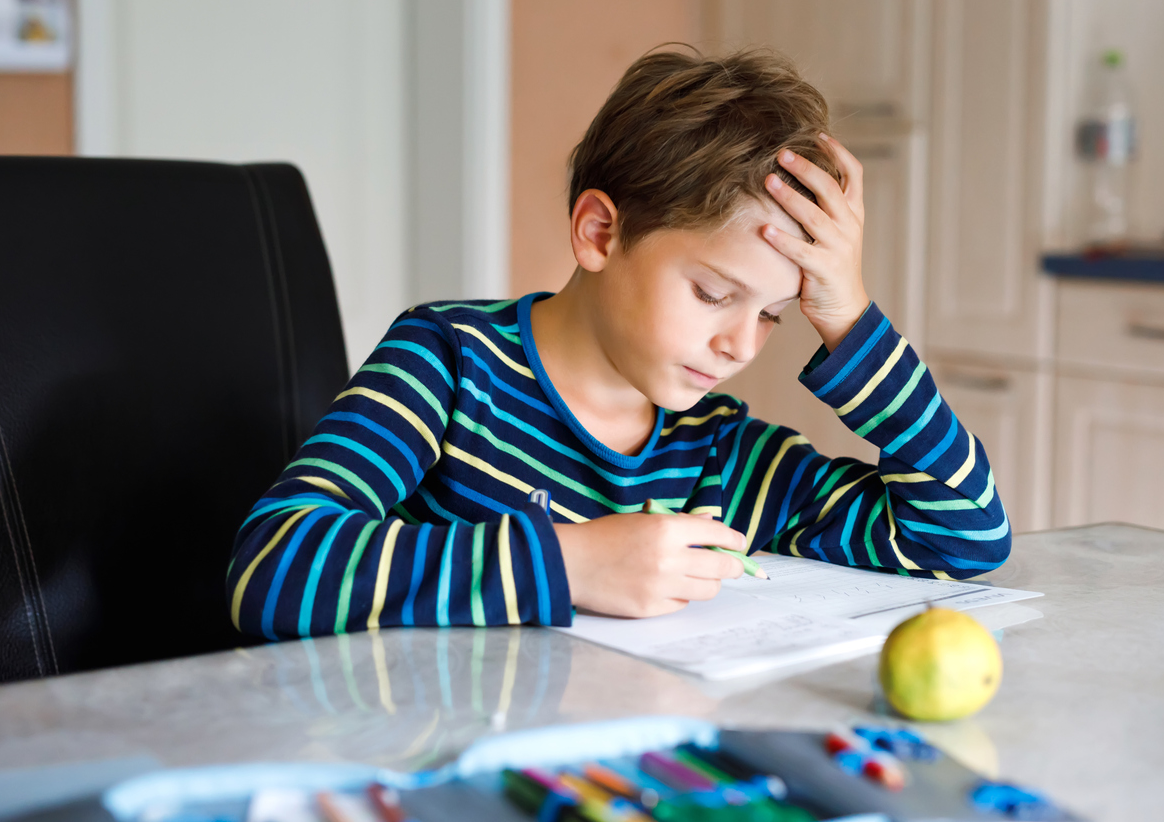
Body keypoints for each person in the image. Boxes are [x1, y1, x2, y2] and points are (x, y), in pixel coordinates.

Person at [226, 47, 1010, 640]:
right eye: (712, 293)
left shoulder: (719, 455)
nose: (741, 343)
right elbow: (274, 567)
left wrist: (850, 318)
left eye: (774, 314)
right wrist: (571, 564)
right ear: (600, 232)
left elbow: (964, 535)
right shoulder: (450, 363)